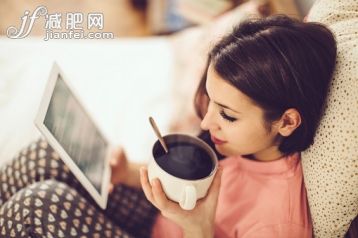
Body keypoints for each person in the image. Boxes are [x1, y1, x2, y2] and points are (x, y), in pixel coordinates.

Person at [0, 15, 336, 238]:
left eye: (227, 115)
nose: (206, 122)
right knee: (46, 156)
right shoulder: (242, 147)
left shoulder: (279, 224)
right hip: (158, 221)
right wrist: (128, 173)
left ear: (287, 122)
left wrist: (199, 229)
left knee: (35, 206)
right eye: (210, 100)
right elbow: (183, 185)